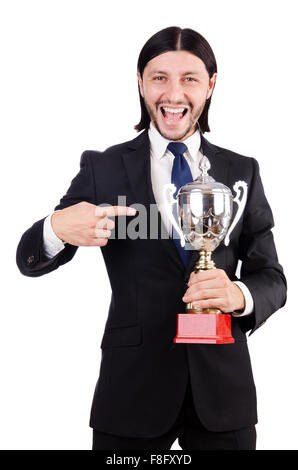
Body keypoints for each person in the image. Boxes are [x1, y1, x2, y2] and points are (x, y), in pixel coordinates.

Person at [16, 26, 287, 450]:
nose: (173, 94)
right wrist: (55, 229)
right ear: (140, 83)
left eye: (189, 79)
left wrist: (239, 296)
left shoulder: (242, 172)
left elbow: (271, 276)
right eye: (159, 77)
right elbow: (28, 257)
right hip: (131, 393)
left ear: (211, 85)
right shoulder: (103, 169)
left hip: (223, 396)